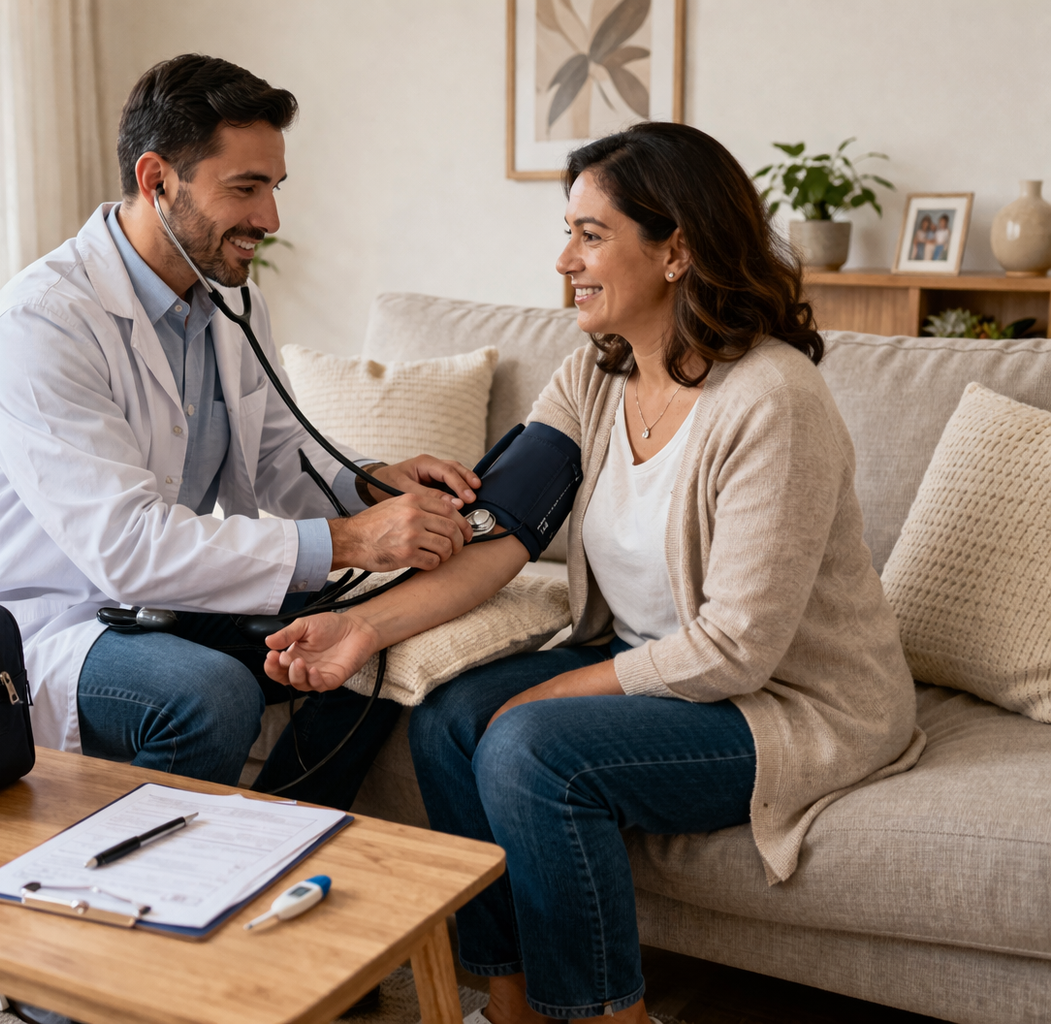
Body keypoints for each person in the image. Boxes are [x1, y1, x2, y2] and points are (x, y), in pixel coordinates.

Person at [260, 122, 924, 1024]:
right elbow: (499, 537)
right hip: (662, 662)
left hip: (785, 701)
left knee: (531, 748)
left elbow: (735, 649)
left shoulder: (771, 401)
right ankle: (510, 1003)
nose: (563, 258)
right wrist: (363, 628)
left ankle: (604, 1015)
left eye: (590, 233)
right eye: (566, 230)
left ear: (677, 248)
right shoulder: (591, 376)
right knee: (451, 715)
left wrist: (551, 696)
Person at [0, 54, 480, 810]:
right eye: (245, 188)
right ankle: (148, 896)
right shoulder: (44, 323)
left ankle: (274, 830)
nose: (270, 219)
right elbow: (125, 547)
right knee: (208, 695)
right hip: (44, 619)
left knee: (377, 634)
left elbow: (279, 455)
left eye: (273, 188)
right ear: (158, 180)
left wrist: (369, 481)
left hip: (159, 600)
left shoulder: (227, 301)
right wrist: (354, 540)